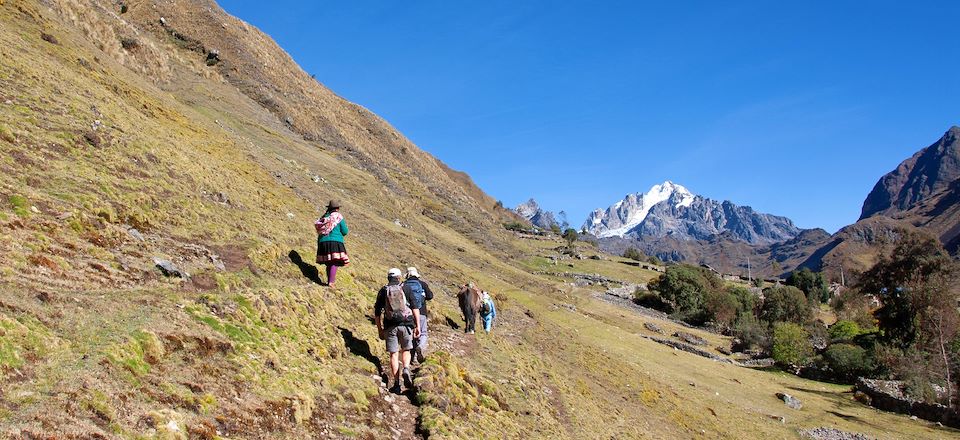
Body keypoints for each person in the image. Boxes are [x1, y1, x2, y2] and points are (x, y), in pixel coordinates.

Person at [374, 268, 422, 394]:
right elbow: (415, 308)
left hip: (390, 326)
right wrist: (418, 326)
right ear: (399, 277)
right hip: (406, 324)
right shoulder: (406, 288)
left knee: (393, 354)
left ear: (388, 277)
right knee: (406, 350)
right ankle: (406, 368)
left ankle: (396, 383)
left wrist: (380, 329)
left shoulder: (384, 290)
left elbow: (377, 313)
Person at [403, 267, 434, 364]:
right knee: (423, 333)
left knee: (410, 334)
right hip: (421, 312)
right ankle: (420, 347)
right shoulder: (423, 284)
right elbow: (430, 296)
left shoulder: (403, 285)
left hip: (407, 314)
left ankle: (411, 358)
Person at [315, 200, 349, 287]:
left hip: (323, 242)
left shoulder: (324, 217)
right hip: (335, 242)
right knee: (335, 261)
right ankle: (331, 282)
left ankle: (329, 281)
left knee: (329, 262)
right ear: (337, 208)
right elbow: (345, 231)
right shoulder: (338, 217)